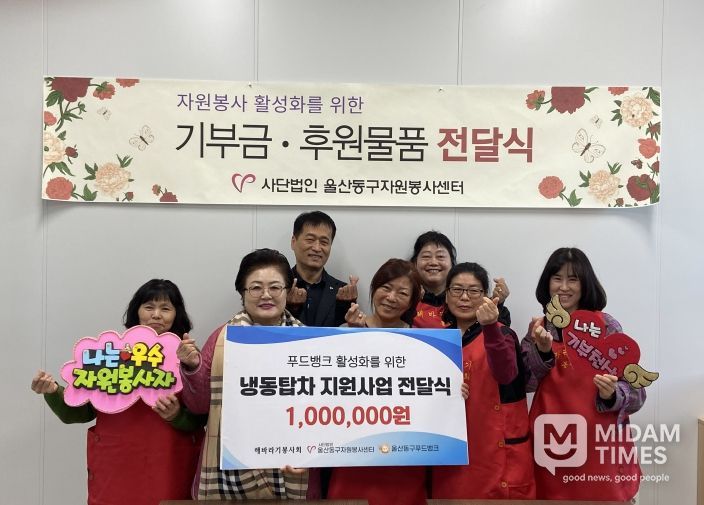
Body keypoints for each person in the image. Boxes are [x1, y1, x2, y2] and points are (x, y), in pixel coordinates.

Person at [30, 279, 205, 505]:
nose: (156, 315)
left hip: (169, 465)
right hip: (116, 466)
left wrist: (177, 415)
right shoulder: (111, 354)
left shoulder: (188, 357)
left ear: (176, 314)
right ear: (136, 311)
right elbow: (79, 413)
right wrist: (53, 391)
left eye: (165, 308)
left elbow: (203, 417)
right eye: (149, 307)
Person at [177, 248, 309, 500]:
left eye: (275, 287)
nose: (266, 295)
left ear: (288, 290)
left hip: (291, 464)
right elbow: (198, 406)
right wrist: (193, 367)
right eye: (256, 288)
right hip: (230, 467)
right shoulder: (221, 338)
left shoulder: (309, 341)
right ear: (242, 293)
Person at [521, 247, 645, 500]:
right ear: (547, 283)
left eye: (573, 279)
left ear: (585, 284)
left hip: (599, 444)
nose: (564, 287)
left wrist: (612, 394)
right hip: (552, 441)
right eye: (557, 278)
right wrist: (542, 352)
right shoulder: (538, 328)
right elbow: (525, 383)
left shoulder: (606, 326)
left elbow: (637, 393)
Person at [327, 258, 427, 505]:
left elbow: (430, 396)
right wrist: (354, 339)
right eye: (386, 288)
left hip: (403, 456)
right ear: (374, 288)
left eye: (402, 293)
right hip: (352, 452)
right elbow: (327, 391)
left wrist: (453, 392)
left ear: (412, 301)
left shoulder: (423, 342)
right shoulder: (346, 330)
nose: (391, 298)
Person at [431, 263, 535, 499]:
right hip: (452, 446)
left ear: (486, 296)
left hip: (496, 448)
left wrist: (490, 327)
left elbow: (506, 374)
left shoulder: (502, 333)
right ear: (446, 295)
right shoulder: (437, 340)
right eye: (457, 289)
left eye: (473, 291)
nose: (464, 297)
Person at [410, 231, 511, 328]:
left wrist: (497, 304)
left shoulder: (474, 302)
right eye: (426, 256)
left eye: (440, 256)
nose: (433, 262)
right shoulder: (407, 299)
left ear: (452, 263)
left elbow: (499, 333)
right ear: (415, 263)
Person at [286, 211, 358, 327]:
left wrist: (344, 308)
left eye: (324, 242)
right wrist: (288, 306)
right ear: (293, 242)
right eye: (310, 240)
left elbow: (345, 333)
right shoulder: (279, 287)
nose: (317, 248)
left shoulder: (342, 292)